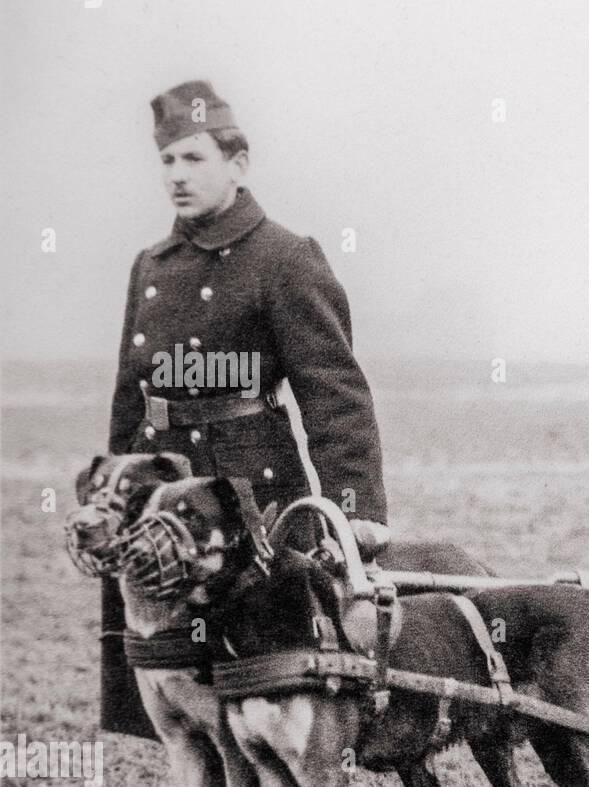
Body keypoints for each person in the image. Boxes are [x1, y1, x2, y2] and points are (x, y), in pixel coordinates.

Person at [101, 79, 390, 739]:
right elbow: (129, 395)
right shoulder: (150, 265)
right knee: (174, 669)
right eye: (168, 161)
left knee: (264, 674)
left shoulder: (284, 259)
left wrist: (356, 522)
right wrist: (115, 492)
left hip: (249, 491)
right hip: (164, 493)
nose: (177, 175)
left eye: (194, 159)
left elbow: (335, 395)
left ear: (238, 163)